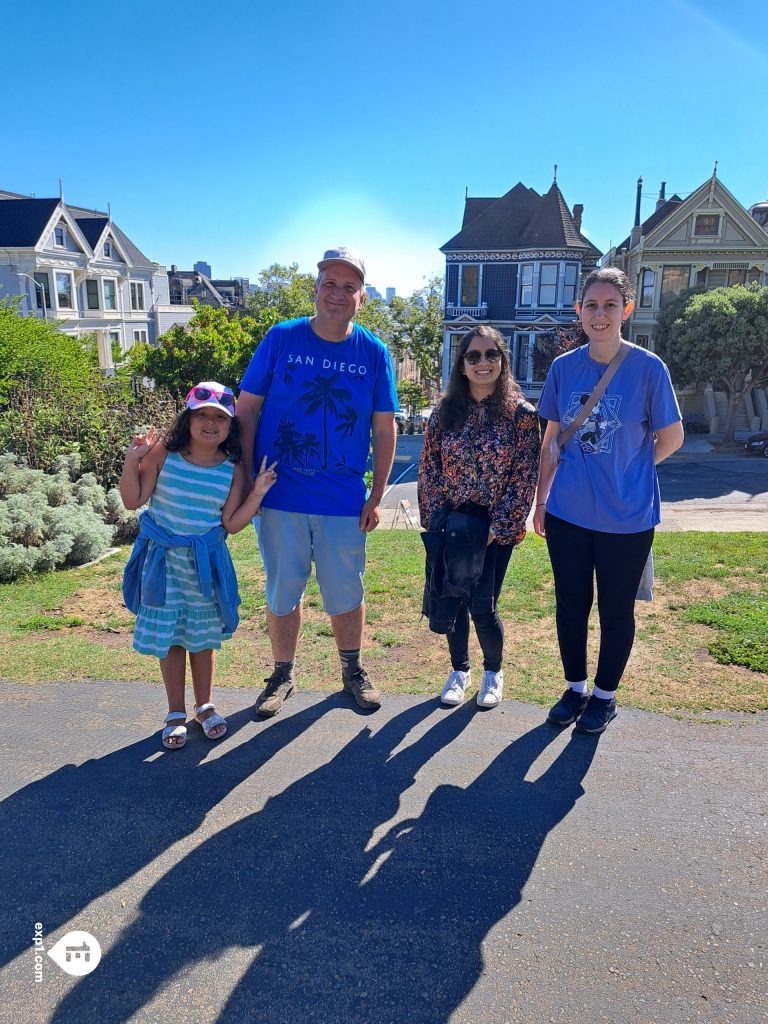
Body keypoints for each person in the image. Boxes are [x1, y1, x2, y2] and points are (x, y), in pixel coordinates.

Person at [237, 247, 398, 715]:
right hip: (279, 495)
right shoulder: (281, 338)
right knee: (282, 592)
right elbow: (246, 411)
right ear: (316, 289)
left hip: (342, 501)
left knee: (346, 593)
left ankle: (352, 670)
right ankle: (282, 675)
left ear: (362, 298)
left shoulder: (373, 352)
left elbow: (384, 428)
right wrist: (245, 481)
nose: (338, 294)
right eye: (330, 283)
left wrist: (376, 495)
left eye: (350, 287)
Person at [534, 268, 684, 735]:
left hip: (627, 519)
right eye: (592, 306)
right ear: (579, 311)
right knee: (570, 605)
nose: (600, 315)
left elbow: (672, 437)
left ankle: (604, 696)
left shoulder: (649, 368)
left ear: (627, 310)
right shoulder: (563, 368)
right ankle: (575, 688)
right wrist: (540, 501)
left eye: (610, 306)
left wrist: (632, 468)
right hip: (568, 514)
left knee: (616, 610)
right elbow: (551, 440)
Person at [120, 382, 277, 749]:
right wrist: (131, 460)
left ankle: (205, 707)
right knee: (172, 640)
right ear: (187, 419)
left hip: (204, 568)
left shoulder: (232, 468)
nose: (210, 423)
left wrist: (256, 493)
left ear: (230, 425)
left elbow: (231, 524)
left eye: (219, 418)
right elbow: (132, 500)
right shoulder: (163, 454)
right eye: (201, 415)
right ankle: (175, 713)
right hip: (163, 566)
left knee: (202, 640)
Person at [418, 325, 541, 709]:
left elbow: (525, 476)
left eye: (491, 355)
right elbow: (429, 468)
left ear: (503, 361)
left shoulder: (521, 416)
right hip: (452, 524)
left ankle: (493, 672)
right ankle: (459, 671)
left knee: (483, 607)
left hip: (494, 530)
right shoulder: (443, 413)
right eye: (473, 356)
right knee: (452, 600)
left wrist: (498, 527)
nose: (482, 362)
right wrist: (437, 519)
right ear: (462, 364)